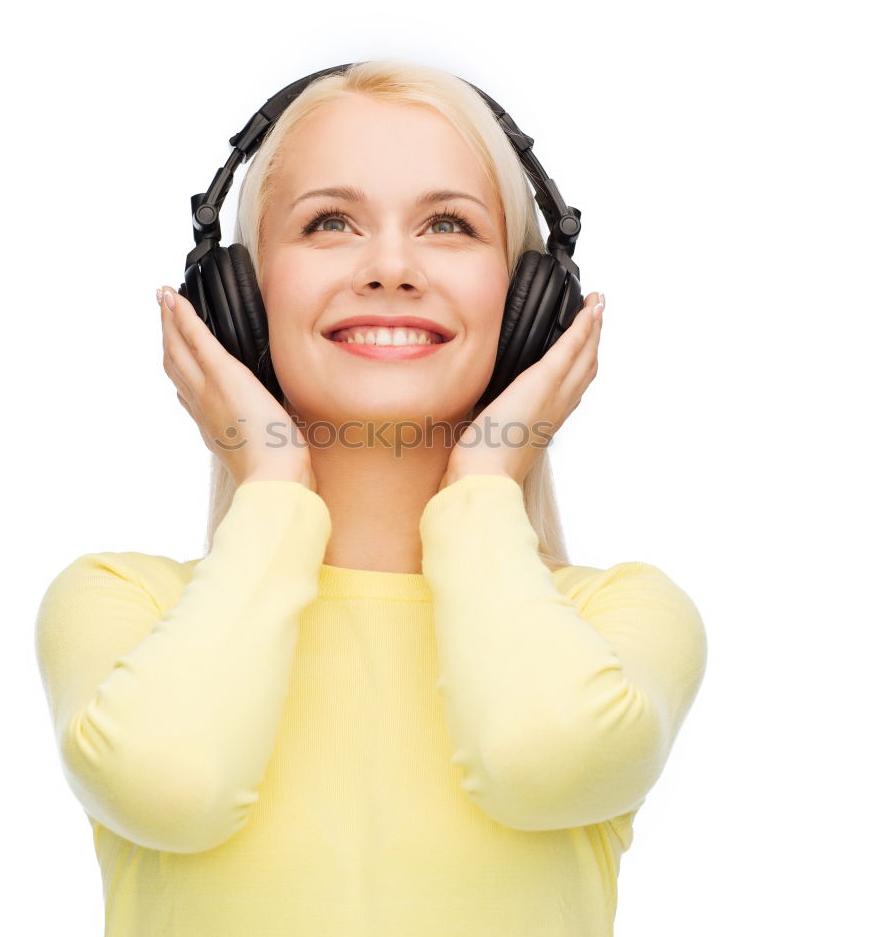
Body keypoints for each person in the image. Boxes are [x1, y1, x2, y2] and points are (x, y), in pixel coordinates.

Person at [34, 58, 708, 937]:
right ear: (236, 297)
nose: (391, 267)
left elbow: (539, 756)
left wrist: (482, 484)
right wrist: (270, 482)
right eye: (330, 223)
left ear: (529, 309)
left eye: (448, 225)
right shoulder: (123, 606)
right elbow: (176, 784)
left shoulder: (620, 621)